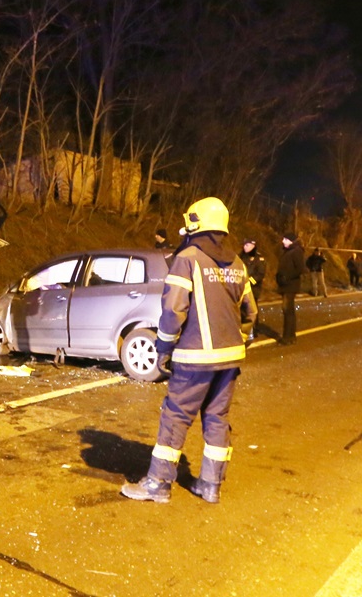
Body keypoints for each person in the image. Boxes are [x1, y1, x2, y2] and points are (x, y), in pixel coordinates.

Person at [121, 197, 255, 504]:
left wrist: (164, 346)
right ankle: (210, 486)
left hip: (195, 357)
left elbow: (173, 309)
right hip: (230, 358)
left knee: (175, 416)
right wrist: (238, 341)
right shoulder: (238, 262)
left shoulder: (188, 258)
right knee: (217, 417)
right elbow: (251, 311)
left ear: (195, 224)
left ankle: (157, 484)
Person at [276, 233, 305, 345]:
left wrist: (287, 277)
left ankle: (287, 337)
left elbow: (300, 268)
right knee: (288, 310)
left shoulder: (296, 251)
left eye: (285, 239)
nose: (283, 241)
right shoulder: (287, 251)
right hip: (285, 284)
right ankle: (291, 336)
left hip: (290, 285)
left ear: (291, 241)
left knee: (287, 310)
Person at [239, 239, 266, 338]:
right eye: (244, 245)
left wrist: (250, 281)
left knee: (252, 308)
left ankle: (254, 329)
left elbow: (260, 274)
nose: (245, 247)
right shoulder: (240, 257)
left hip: (253, 288)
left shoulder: (259, 259)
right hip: (241, 286)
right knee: (241, 309)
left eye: (248, 245)